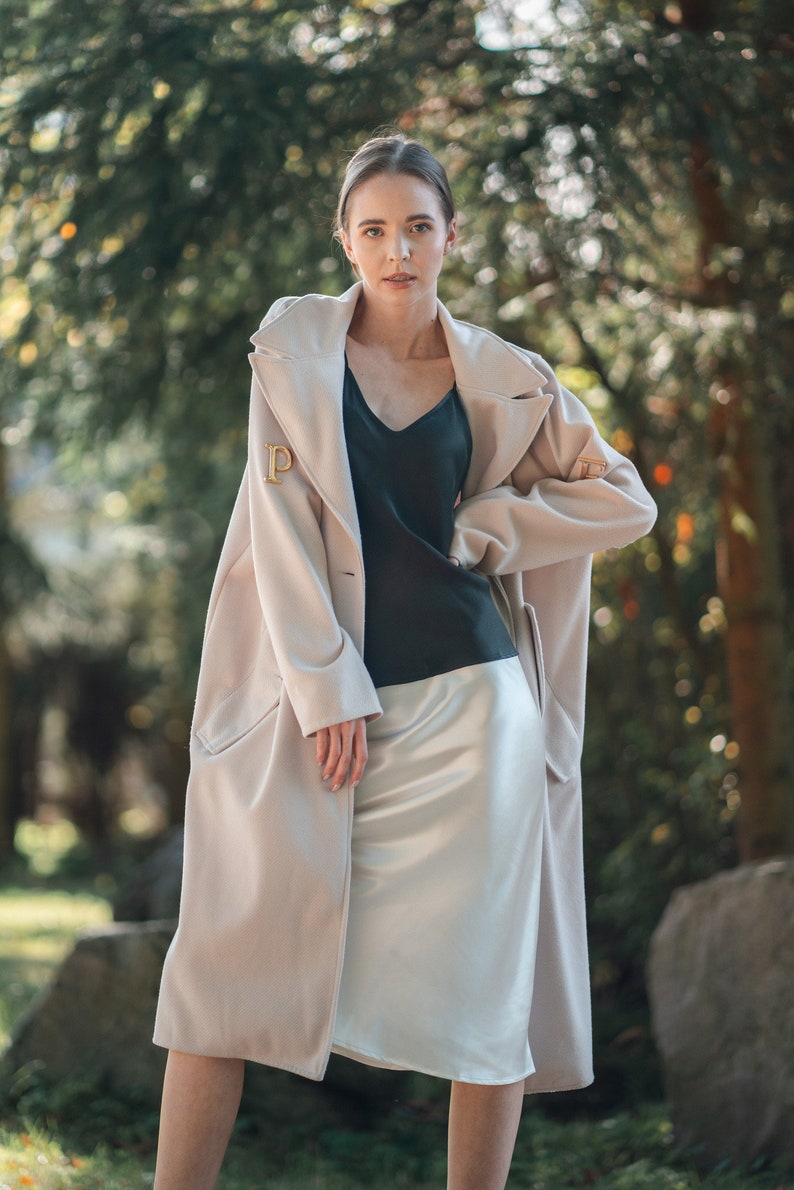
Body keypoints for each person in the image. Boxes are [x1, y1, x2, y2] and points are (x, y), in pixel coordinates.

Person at [152, 133, 657, 1189]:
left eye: (417, 228)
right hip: (316, 712)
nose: (396, 250)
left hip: (476, 716)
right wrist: (328, 685)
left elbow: (623, 499)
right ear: (343, 236)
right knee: (223, 972)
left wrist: (497, 523)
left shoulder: (508, 376)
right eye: (373, 228)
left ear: (449, 238)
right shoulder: (292, 351)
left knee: (483, 999)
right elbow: (280, 533)